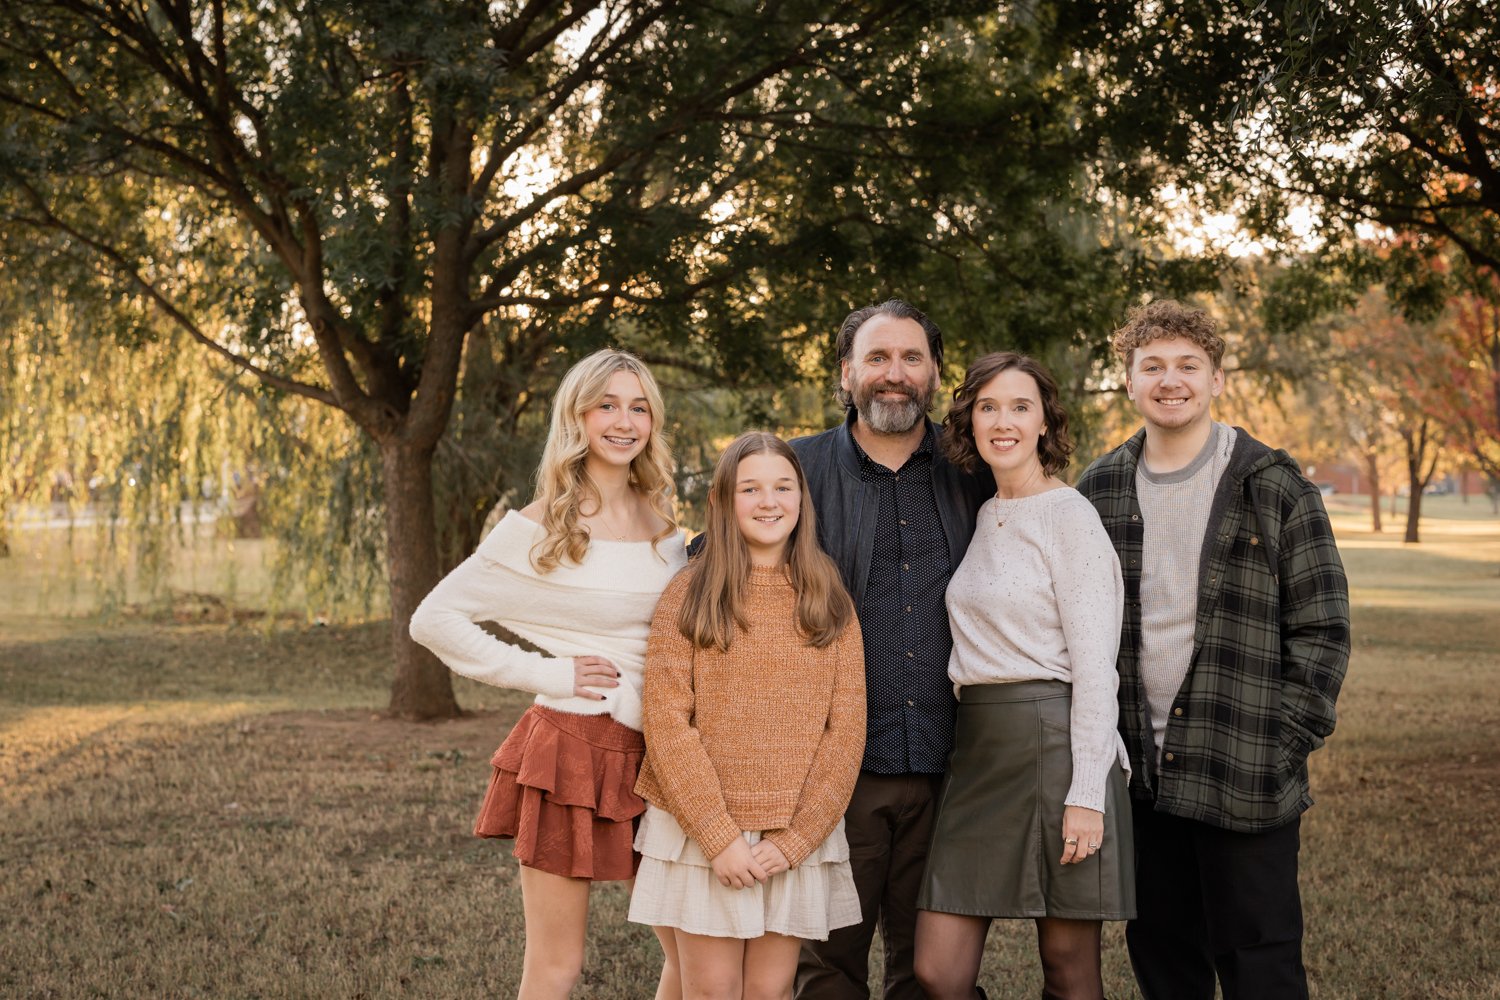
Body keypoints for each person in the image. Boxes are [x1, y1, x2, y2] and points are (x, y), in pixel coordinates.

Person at [1076, 300, 1351, 1000]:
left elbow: (1322, 629)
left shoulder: (1274, 485)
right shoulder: (1098, 490)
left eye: (1188, 366)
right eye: (1153, 366)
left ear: (1217, 379)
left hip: (1244, 766)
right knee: (1166, 964)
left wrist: (1281, 743)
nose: (1171, 381)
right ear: (1129, 382)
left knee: (1262, 966)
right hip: (1141, 777)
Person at [408, 349, 687, 999]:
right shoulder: (542, 526)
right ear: (578, 417)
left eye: (639, 407)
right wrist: (552, 673)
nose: (624, 421)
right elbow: (434, 619)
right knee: (558, 967)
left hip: (660, 753)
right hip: (571, 747)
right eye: (607, 406)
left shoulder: (666, 528)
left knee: (691, 953)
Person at [790, 299, 994, 999]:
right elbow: (722, 571)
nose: (895, 373)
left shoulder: (978, 470)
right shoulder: (796, 470)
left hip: (954, 768)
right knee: (827, 966)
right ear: (846, 373)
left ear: (935, 373)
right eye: (877, 357)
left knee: (936, 975)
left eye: (911, 357)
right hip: (835, 766)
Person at [913, 353, 1133, 1000]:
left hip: (1057, 749)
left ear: (1044, 422)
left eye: (1019, 407)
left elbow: (1096, 668)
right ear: (970, 422)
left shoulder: (1070, 517)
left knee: (1068, 966)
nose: (1002, 421)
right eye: (988, 407)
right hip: (979, 754)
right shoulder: (985, 513)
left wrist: (1086, 793)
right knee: (938, 969)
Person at [630, 432, 867, 1000]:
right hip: (703, 828)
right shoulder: (689, 593)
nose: (768, 502)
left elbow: (846, 730)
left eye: (783, 487)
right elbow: (667, 722)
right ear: (721, 500)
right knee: (711, 990)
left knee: (769, 990)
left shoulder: (828, 598)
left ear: (802, 498)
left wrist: (797, 839)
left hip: (790, 832)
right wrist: (718, 836)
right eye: (750, 488)